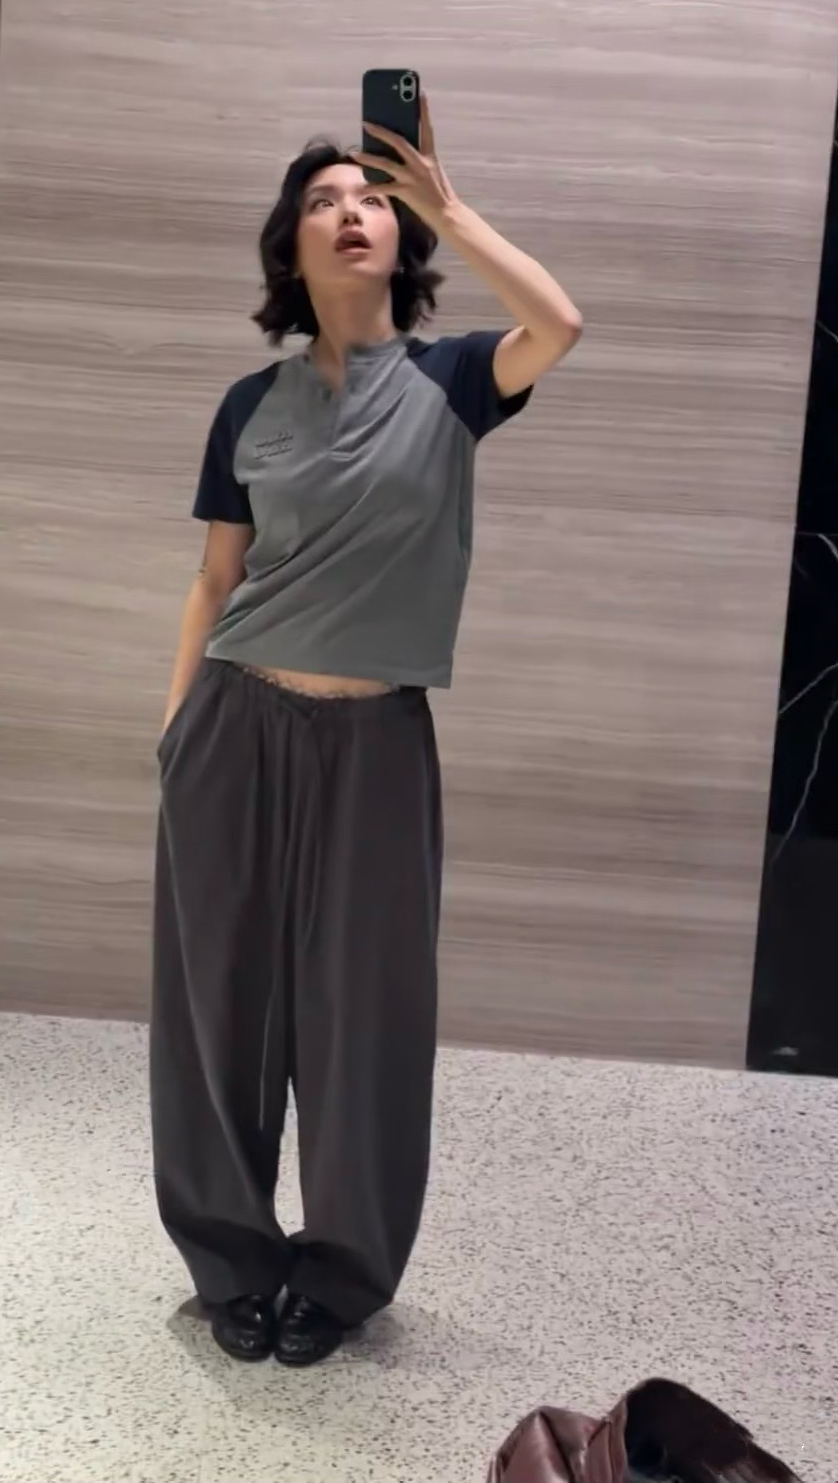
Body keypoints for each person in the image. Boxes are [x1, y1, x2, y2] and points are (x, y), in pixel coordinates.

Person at [149, 94, 581, 1368]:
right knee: (218, 1009)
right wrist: (175, 733)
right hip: (233, 726)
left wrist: (449, 201)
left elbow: (560, 324)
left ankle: (339, 1275)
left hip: (379, 741)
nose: (352, 212)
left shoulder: (455, 382)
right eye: (325, 200)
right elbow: (216, 579)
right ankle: (230, 1258)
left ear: (402, 238)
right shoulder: (249, 404)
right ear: (291, 246)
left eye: (371, 199)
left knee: (365, 1018)